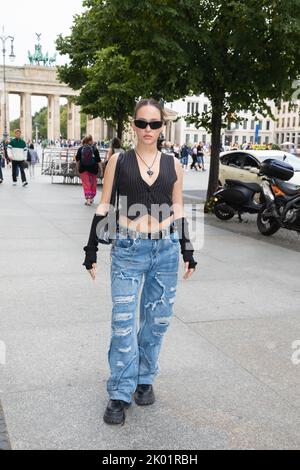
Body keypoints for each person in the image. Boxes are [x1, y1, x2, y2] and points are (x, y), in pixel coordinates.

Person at [82, 98, 197, 425]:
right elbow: (104, 206)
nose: (148, 129)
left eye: (155, 124)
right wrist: (91, 248)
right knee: (123, 322)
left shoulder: (174, 164)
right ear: (133, 124)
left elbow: (177, 210)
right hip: (128, 249)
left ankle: (145, 377)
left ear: (163, 127)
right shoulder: (118, 161)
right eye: (142, 123)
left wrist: (188, 249)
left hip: (165, 249)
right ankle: (119, 391)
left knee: (157, 320)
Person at [76, 135, 102, 206]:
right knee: (93, 183)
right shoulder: (94, 149)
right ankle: (91, 198)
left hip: (83, 169)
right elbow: (98, 160)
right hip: (93, 169)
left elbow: (77, 160)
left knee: (86, 184)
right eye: (92, 140)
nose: (93, 141)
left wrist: (77, 168)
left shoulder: (80, 149)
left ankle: (88, 199)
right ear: (89, 141)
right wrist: (101, 169)